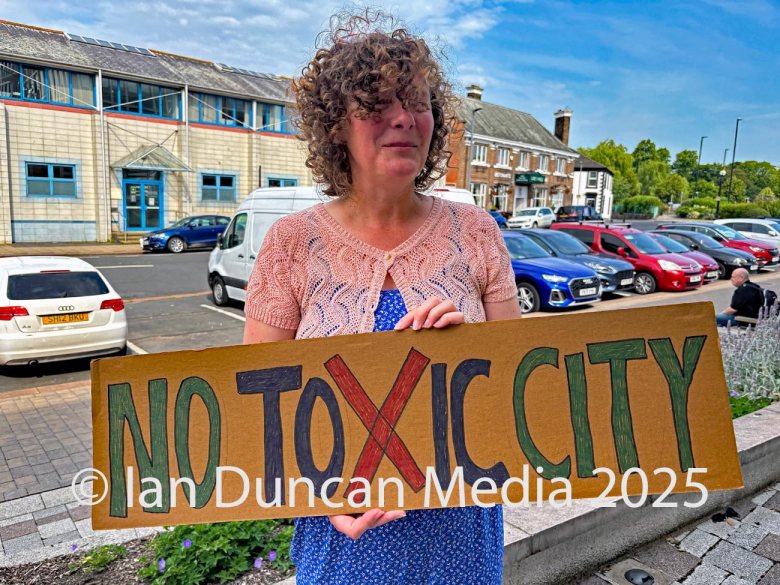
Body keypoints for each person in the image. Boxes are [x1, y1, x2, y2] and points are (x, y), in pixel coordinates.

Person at [242, 10, 521, 584]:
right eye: (377, 103)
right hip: (343, 540)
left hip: (460, 535)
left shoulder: (478, 232)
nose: (403, 119)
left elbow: (522, 388)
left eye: (417, 102)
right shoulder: (291, 244)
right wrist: (316, 495)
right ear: (336, 125)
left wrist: (472, 352)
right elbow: (255, 409)